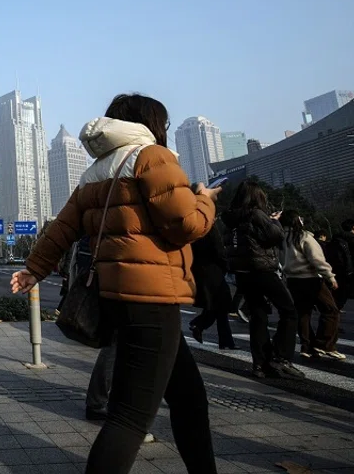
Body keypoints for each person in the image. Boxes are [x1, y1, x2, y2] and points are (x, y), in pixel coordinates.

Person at [12, 93, 219, 474]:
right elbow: (187, 225)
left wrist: (34, 269)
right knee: (129, 418)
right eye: (164, 124)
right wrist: (205, 201)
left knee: (189, 398)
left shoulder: (96, 169)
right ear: (150, 123)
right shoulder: (151, 156)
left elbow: (63, 227)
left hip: (117, 295)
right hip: (152, 298)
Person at [222, 180, 304, 380]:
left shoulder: (230, 218)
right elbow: (274, 236)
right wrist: (274, 220)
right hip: (262, 269)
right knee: (290, 312)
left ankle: (259, 364)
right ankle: (281, 357)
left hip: (243, 272)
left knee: (258, 316)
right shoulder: (256, 214)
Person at [279, 211, 342, 360]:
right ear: (296, 221)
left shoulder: (280, 239)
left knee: (303, 313)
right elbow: (316, 259)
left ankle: (306, 346)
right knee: (331, 310)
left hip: (292, 280)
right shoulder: (304, 236)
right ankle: (324, 344)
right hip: (311, 278)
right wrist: (330, 276)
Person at [188, 220, 237, 350]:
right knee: (220, 305)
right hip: (213, 270)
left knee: (217, 306)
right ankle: (199, 324)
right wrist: (226, 265)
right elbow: (219, 250)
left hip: (199, 269)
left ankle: (226, 341)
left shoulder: (195, 228)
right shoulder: (211, 228)